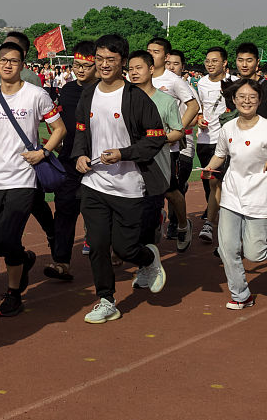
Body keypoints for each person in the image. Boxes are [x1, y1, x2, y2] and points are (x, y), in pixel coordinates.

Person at [73, 35, 168, 323]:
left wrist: (124, 154)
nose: (103, 65)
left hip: (129, 186)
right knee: (98, 244)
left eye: (110, 60)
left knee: (125, 248)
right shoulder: (88, 95)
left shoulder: (136, 97)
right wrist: (79, 155)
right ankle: (106, 299)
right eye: (99, 59)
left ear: (122, 63)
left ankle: (148, 259)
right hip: (94, 184)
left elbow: (156, 139)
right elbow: (80, 131)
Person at [0, 41, 65, 317]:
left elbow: (59, 129)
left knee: (11, 234)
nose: (7, 64)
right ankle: (24, 259)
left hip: (23, 177)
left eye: (13, 60)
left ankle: (14, 294)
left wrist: (43, 151)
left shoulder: (37, 95)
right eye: (3, 60)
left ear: (22, 64)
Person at [202, 79, 267, 308]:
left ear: (259, 100)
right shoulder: (228, 128)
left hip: (260, 195)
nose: (246, 101)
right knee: (227, 249)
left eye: (252, 97)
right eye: (241, 96)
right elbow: (220, 154)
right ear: (234, 100)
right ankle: (241, 295)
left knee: (255, 254)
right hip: (232, 194)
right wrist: (210, 168)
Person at [43, 43, 97, 281]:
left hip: (100, 163)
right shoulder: (66, 90)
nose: (81, 70)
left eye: (86, 66)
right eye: (77, 65)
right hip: (68, 161)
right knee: (64, 209)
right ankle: (61, 262)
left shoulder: (107, 91)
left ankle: (113, 250)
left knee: (99, 213)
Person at [127, 50, 183, 267]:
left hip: (155, 168)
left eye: (138, 68)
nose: (133, 73)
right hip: (127, 168)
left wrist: (155, 140)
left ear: (151, 69)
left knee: (147, 218)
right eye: (130, 69)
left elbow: (178, 131)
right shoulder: (123, 98)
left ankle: (146, 264)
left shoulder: (166, 101)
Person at [146, 38, 198, 251]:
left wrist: (177, 131)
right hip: (144, 145)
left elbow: (193, 106)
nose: (152, 54)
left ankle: (184, 225)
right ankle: (153, 223)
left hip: (168, 148)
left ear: (166, 56)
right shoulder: (139, 77)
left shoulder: (173, 80)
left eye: (156, 51)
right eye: (148, 51)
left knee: (170, 190)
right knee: (144, 190)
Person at [195, 47, 231, 243]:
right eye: (207, 60)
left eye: (214, 61)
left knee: (219, 181)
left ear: (224, 63)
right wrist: (199, 116)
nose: (210, 64)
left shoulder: (233, 83)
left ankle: (212, 221)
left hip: (224, 140)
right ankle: (214, 211)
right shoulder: (201, 82)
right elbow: (198, 105)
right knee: (209, 180)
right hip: (204, 139)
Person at [234, 43, 267, 120]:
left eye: (249, 61)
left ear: (257, 62)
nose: (244, 65)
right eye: (240, 60)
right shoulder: (233, 87)